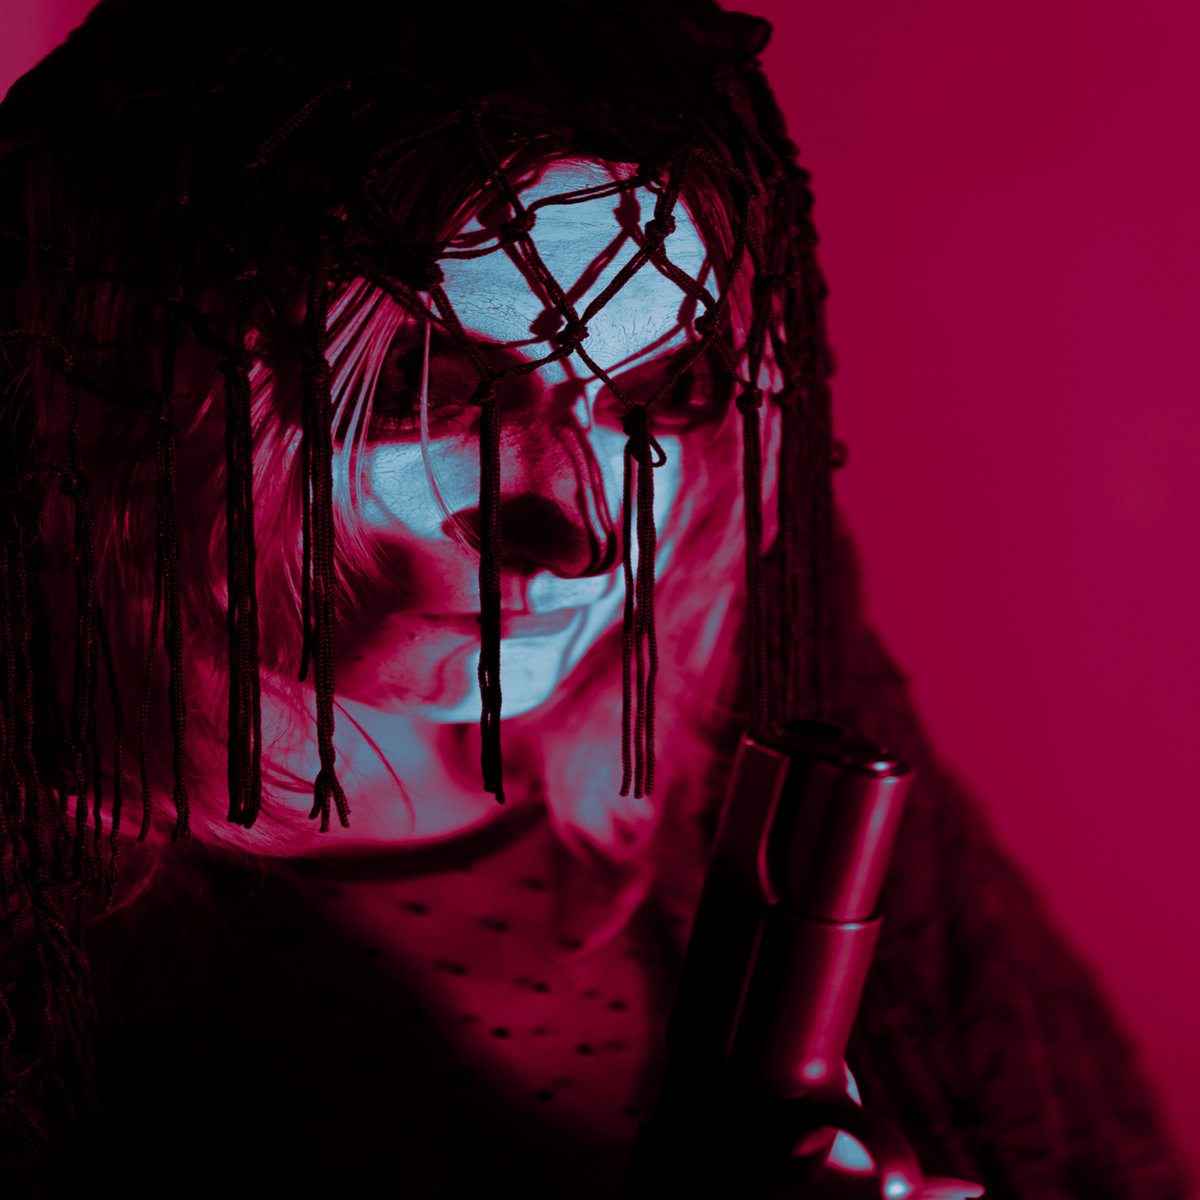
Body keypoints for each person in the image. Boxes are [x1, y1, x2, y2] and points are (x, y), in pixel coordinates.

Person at [0, 0, 1189, 1196]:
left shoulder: (742, 749)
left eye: (663, 390)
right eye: (437, 391)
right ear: (133, 399)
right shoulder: (36, 924)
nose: (585, 536)